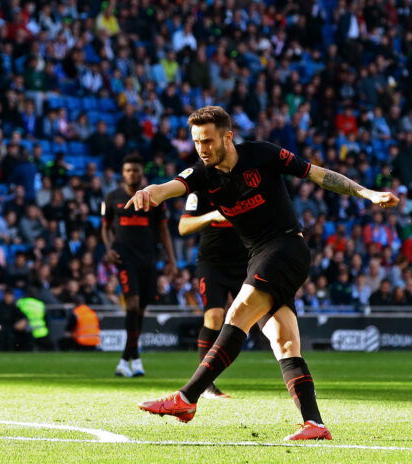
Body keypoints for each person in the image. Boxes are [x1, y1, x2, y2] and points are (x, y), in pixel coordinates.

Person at [128, 106, 398, 441]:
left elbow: (318, 174)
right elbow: (170, 186)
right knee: (284, 342)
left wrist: (366, 193)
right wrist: (149, 192)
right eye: (197, 141)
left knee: (238, 312)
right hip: (259, 256)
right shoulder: (203, 173)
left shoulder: (262, 154)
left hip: (286, 247)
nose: (202, 148)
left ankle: (187, 398)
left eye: (208, 140)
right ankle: (314, 423)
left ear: (228, 136)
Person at [102, 153, 176, 377]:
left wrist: (171, 259)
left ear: (142, 172)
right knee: (132, 304)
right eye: (128, 170)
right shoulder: (112, 198)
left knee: (141, 309)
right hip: (125, 258)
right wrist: (109, 249)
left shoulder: (154, 198)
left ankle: (128, 359)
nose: (132, 174)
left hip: (148, 258)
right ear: (122, 173)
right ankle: (132, 359)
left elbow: (163, 230)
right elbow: (105, 227)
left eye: (135, 170)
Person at [178, 189, 248, 398]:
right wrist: (213, 215)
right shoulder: (201, 192)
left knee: (265, 318)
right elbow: (183, 227)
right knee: (214, 315)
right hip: (212, 265)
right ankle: (206, 384)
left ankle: (297, 379)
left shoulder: (250, 187)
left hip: (245, 263)